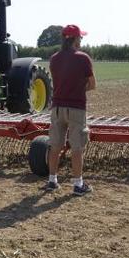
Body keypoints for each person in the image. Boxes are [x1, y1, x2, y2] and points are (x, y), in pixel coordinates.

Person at [45, 24, 96, 195]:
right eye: (80, 37)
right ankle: (78, 185)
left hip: (57, 108)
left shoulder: (54, 58)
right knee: (77, 147)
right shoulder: (83, 58)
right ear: (74, 39)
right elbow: (92, 84)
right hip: (76, 108)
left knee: (55, 146)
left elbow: (57, 82)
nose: (81, 40)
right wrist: (77, 90)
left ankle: (52, 181)